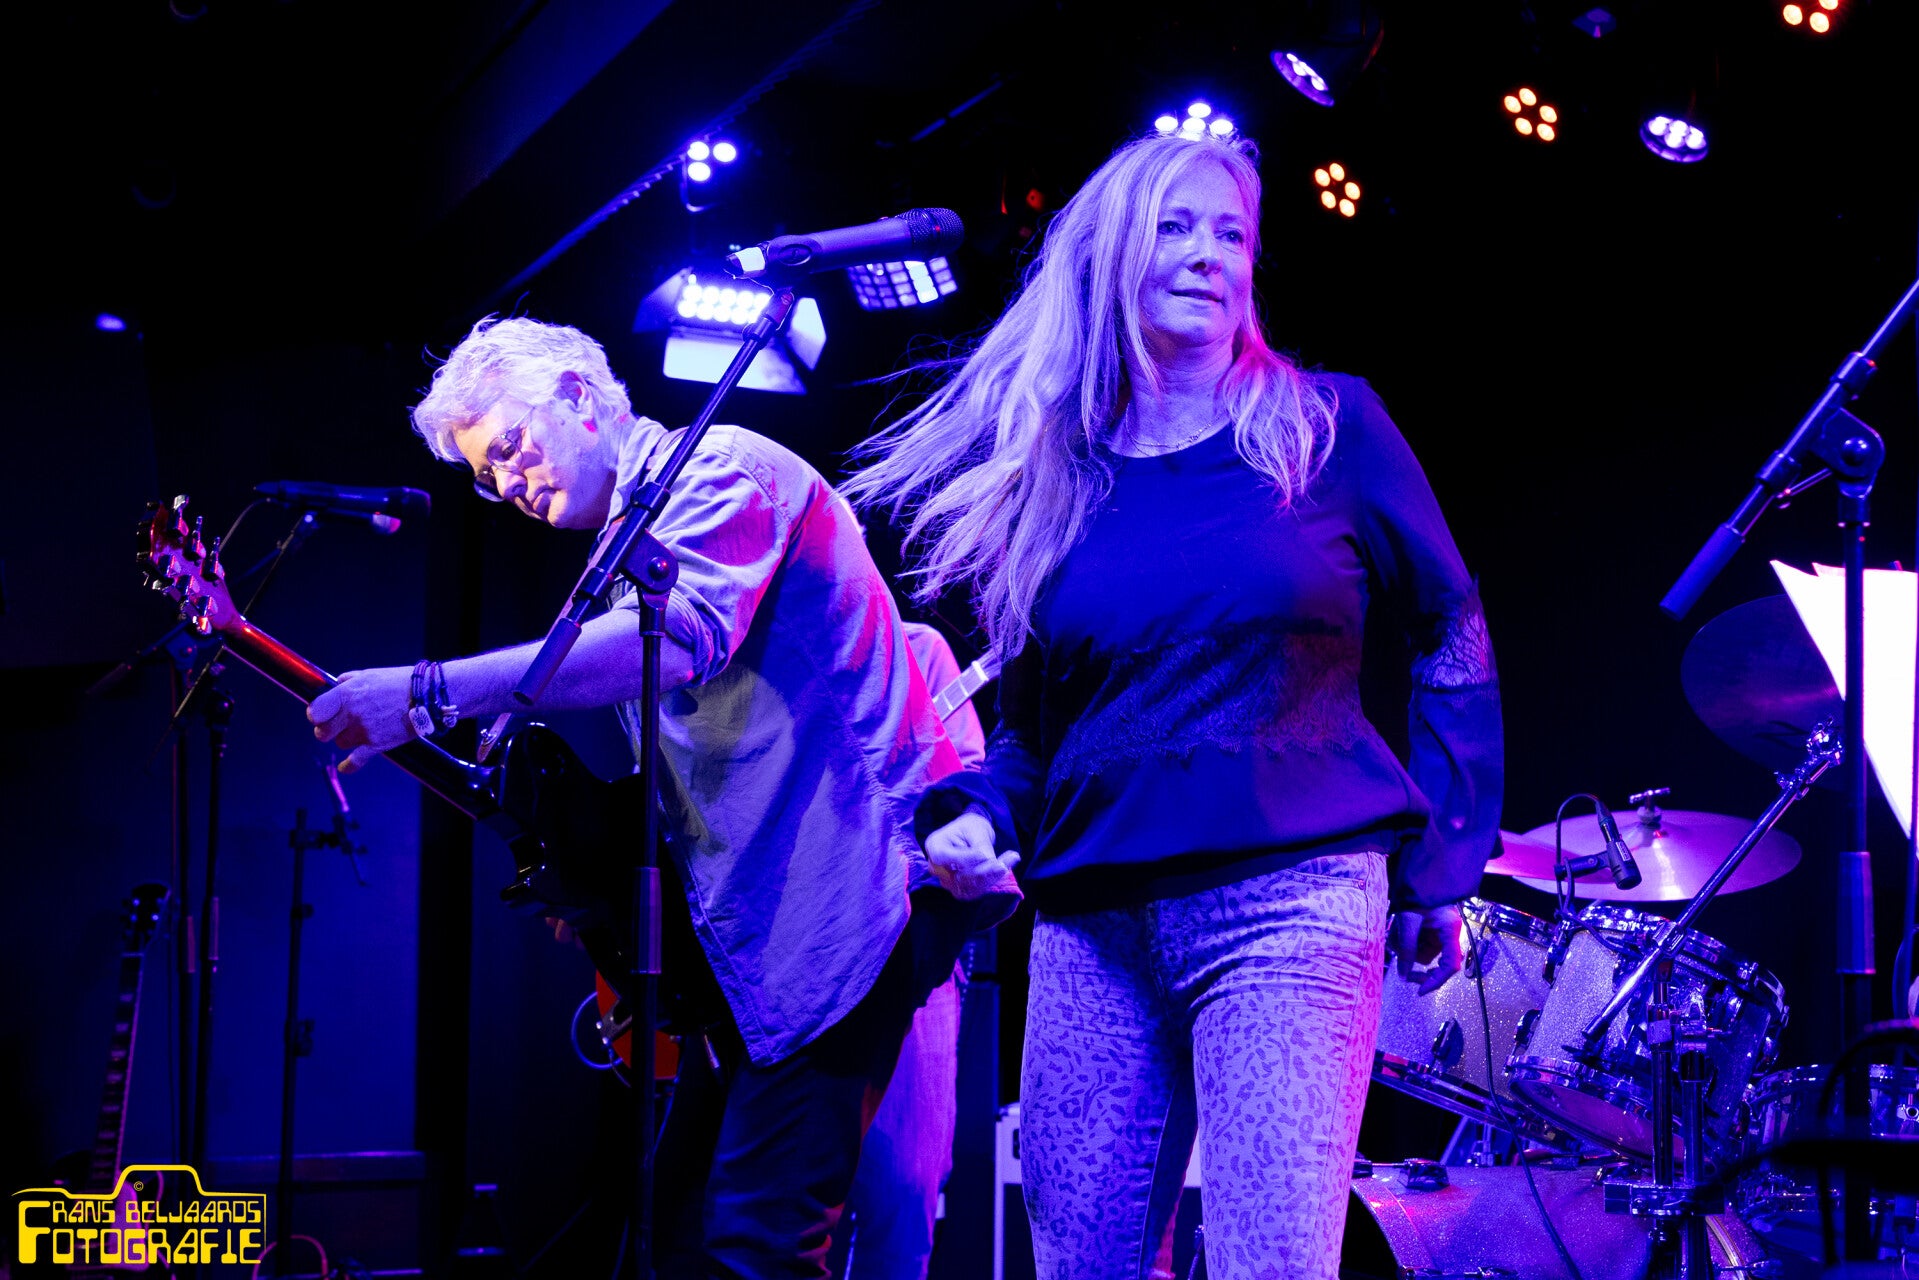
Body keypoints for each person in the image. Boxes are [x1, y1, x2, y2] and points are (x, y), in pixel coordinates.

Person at [846, 133, 1502, 1280]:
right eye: (1175, 226)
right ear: (1108, 253)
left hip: (1289, 895)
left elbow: (1449, 625)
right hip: (1091, 920)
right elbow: (1034, 733)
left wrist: (1441, 864)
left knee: (1267, 1261)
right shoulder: (1053, 480)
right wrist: (975, 813)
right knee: (1080, 1262)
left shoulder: (1326, 429)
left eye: (1230, 234)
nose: (1209, 254)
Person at [305, 316, 1018, 1279]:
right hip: (765, 947)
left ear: (578, 395)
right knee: (680, 1240)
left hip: (850, 908)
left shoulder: (719, 471)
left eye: (510, 447)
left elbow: (682, 639)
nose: (507, 483)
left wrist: (428, 690)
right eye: (486, 474)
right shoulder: (627, 543)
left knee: (764, 1243)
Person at [833, 619, 986, 1280]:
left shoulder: (917, 650)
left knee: (902, 1196)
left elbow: (968, 782)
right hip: (787, 964)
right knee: (781, 1208)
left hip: (903, 955)